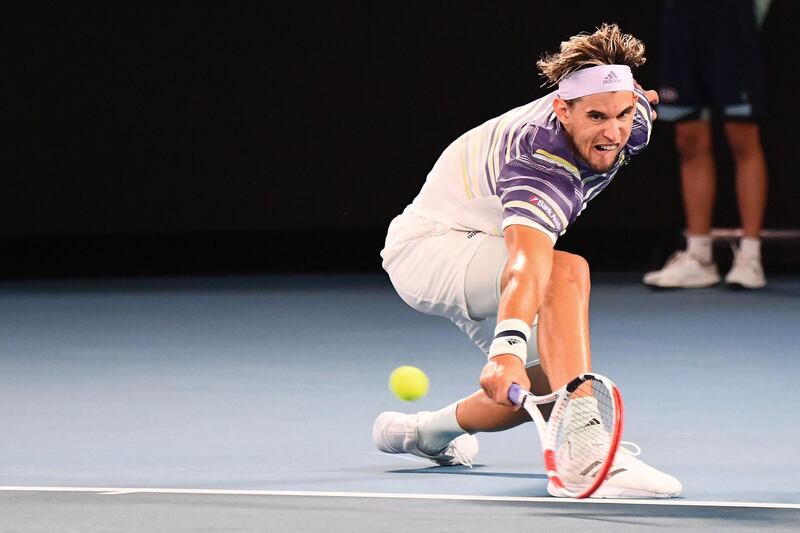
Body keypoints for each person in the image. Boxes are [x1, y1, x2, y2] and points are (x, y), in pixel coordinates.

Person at [372, 24, 682, 498]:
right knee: (565, 270)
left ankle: (423, 434)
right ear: (562, 109)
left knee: (544, 388)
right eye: (597, 116)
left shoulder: (633, 115)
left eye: (622, 114)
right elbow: (527, 263)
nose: (614, 131)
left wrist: (630, 100)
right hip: (430, 249)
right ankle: (585, 454)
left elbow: (629, 102)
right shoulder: (540, 161)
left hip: (480, 246)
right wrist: (506, 350)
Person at [643, 0, 771, 289]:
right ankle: (699, 257)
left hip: (731, 19)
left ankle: (751, 257)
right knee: (688, 137)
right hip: (682, 19)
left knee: (742, 134)